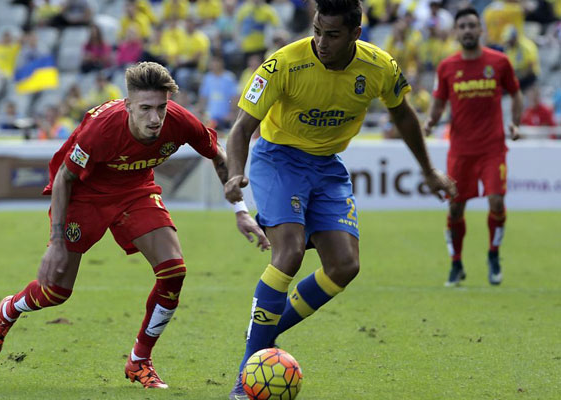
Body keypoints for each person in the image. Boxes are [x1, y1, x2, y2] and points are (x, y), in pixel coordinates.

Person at [0, 62, 268, 389]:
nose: (155, 118)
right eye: (145, 109)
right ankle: (8, 311)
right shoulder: (101, 130)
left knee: (174, 270)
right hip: (85, 196)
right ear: (128, 105)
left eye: (161, 108)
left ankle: (139, 360)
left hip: (135, 191)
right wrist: (56, 243)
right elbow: (64, 179)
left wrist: (240, 210)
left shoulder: (180, 121)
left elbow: (218, 155)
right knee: (56, 291)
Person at [223, 1, 455, 398]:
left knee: (345, 265)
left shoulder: (379, 66)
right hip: (278, 158)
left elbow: (403, 116)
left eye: (332, 35)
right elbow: (242, 128)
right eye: (316, 30)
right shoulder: (283, 64)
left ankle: (265, 330)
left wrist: (429, 171)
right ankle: (249, 369)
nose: (320, 42)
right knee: (290, 252)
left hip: (327, 166)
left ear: (355, 35)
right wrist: (233, 175)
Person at [424, 7, 523, 287]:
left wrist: (515, 123)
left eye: (472, 25)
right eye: (462, 26)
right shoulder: (447, 67)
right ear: (456, 32)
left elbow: (516, 94)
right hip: (460, 151)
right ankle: (456, 263)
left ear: (480, 30)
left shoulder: (499, 62)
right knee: (455, 209)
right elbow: (439, 100)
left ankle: (493, 254)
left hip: (492, 147)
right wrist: (430, 122)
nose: (467, 30)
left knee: (496, 201)